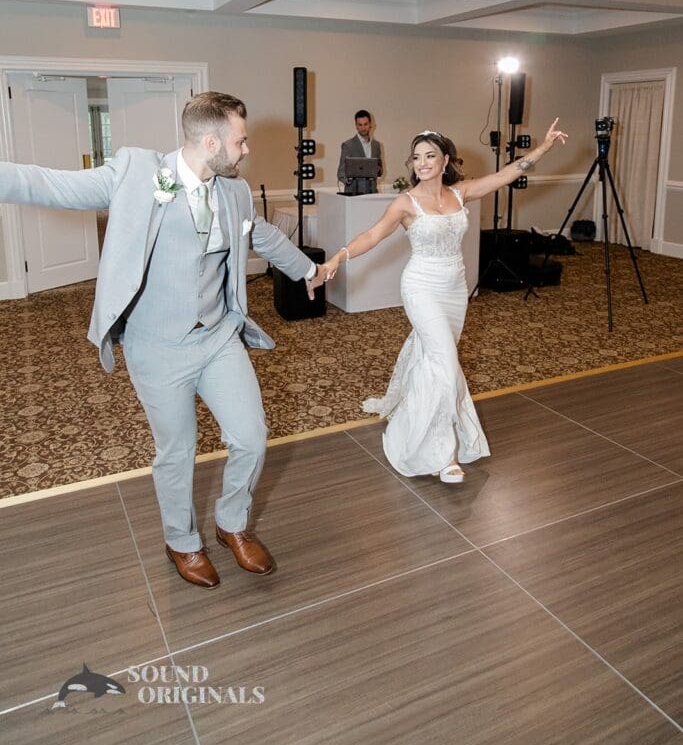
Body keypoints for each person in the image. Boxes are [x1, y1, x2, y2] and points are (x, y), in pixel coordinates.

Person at [0, 92, 329, 588]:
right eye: (240, 141)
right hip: (157, 346)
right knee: (177, 452)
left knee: (252, 436)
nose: (245, 150)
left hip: (218, 337)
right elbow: (51, 183)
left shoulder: (234, 192)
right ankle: (182, 540)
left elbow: (258, 234)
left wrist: (308, 269)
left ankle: (232, 523)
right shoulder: (136, 173)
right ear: (211, 141)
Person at [324, 119, 568, 482]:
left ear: (445, 160)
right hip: (421, 286)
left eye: (430, 156)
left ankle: (412, 422)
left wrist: (543, 149)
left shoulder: (459, 194)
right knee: (446, 360)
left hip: (455, 289)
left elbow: (505, 174)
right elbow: (373, 234)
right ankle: (445, 454)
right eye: (416, 157)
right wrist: (337, 258)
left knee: (435, 362)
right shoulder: (406, 203)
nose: (422, 163)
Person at [337, 109, 383, 194]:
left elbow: (380, 171)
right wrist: (351, 181)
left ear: (370, 125)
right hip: (354, 194)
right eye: (360, 125)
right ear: (356, 126)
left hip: (372, 193)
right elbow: (341, 173)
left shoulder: (376, 145)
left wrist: (378, 170)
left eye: (365, 124)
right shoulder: (348, 145)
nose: (363, 128)